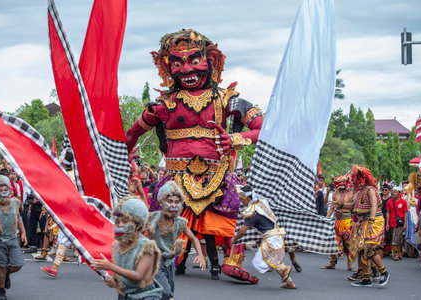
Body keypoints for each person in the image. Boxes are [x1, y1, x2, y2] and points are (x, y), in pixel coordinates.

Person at [125, 29, 263, 281]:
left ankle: (232, 260)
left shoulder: (228, 101)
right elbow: (131, 134)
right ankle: (152, 257)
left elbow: (262, 127)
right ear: (168, 68)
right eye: (177, 63)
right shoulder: (162, 105)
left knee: (234, 208)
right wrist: (121, 153)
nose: (186, 70)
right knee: (158, 214)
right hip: (175, 178)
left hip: (218, 175)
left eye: (194, 61)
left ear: (211, 61)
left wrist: (233, 139)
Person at [92, 197, 163, 299]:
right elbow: (118, 276)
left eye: (125, 221)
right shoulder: (116, 246)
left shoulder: (147, 246)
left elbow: (138, 276)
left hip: (146, 296)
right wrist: (112, 281)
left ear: (138, 225)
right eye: (118, 222)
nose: (120, 225)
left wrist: (110, 266)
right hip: (125, 295)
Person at [148, 181, 206, 300]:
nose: (173, 205)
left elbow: (193, 238)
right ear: (161, 202)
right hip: (154, 262)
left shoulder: (180, 222)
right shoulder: (152, 217)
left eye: (177, 202)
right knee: (165, 292)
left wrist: (200, 255)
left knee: (169, 293)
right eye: (169, 201)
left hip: (169, 263)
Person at [232, 185, 296, 289]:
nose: (241, 201)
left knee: (259, 261)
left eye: (242, 199)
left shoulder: (252, 211)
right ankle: (289, 283)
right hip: (276, 236)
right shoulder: (260, 203)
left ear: (248, 199)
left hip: (271, 238)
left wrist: (235, 239)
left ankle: (286, 268)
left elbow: (242, 231)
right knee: (274, 260)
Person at [337, 165, 389, 287]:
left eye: (355, 177)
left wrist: (371, 221)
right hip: (361, 222)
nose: (353, 180)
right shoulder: (359, 191)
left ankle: (384, 272)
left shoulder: (370, 189)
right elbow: (353, 206)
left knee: (368, 248)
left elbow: (374, 205)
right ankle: (366, 278)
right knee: (361, 249)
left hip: (374, 221)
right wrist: (340, 204)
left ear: (362, 178)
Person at [322, 174, 354, 271]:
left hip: (348, 221)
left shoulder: (351, 194)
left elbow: (353, 206)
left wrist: (342, 204)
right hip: (337, 221)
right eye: (339, 183)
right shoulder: (335, 194)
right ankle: (332, 263)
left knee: (349, 243)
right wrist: (326, 219)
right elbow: (331, 207)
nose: (341, 184)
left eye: (342, 182)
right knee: (334, 242)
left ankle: (350, 265)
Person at [386, 186, 408, 261]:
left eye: (396, 192)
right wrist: (387, 224)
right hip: (392, 222)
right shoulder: (389, 201)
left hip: (400, 223)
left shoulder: (403, 202)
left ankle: (395, 254)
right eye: (393, 192)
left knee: (397, 238)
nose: (394, 193)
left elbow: (405, 213)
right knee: (393, 238)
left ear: (399, 193)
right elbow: (388, 212)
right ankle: (399, 252)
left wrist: (405, 224)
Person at [380, 184, 392, 256]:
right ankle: (381, 249)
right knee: (381, 233)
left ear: (389, 191)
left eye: (386, 190)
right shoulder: (380, 199)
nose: (384, 191)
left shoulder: (391, 199)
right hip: (380, 217)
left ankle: (388, 249)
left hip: (388, 217)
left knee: (388, 233)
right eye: (383, 190)